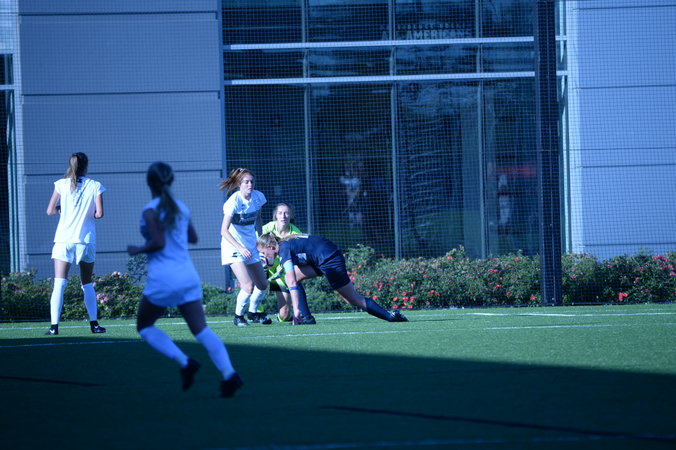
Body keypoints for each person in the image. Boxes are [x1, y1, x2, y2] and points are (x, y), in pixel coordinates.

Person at [128, 162, 242, 398]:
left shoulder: (150, 210)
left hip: (163, 278)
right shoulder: (180, 207)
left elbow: (158, 242)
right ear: (171, 181)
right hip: (187, 275)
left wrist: (137, 249)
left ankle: (185, 362)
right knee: (201, 330)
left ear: (149, 183)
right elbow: (193, 237)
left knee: (145, 326)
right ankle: (229, 374)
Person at [257, 233, 408, 323]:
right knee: (295, 277)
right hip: (324, 258)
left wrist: (295, 310)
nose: (263, 257)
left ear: (271, 247)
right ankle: (307, 318)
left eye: (263, 253)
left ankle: (391, 316)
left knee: (353, 299)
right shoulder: (284, 244)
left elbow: (290, 281)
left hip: (329, 259)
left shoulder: (283, 248)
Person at [45, 152, 107, 335]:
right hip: (85, 241)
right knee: (87, 283)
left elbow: (50, 211)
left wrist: (61, 209)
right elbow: (99, 214)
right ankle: (94, 325)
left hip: (63, 240)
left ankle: (54, 327)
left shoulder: (61, 184)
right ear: (86, 166)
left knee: (59, 283)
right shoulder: (95, 185)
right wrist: (87, 212)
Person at [220, 168, 270, 326]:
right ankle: (238, 317)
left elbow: (258, 218)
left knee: (262, 284)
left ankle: (253, 313)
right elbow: (223, 231)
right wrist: (240, 248)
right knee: (248, 286)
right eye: (246, 182)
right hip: (233, 247)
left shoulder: (258, 197)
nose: (250, 185)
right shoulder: (233, 202)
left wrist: (261, 242)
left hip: (251, 246)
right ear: (239, 184)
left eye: (252, 181)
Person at [254, 203, 314, 324]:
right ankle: (256, 313)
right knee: (256, 279)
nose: (283, 216)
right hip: (266, 268)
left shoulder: (296, 233)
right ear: (275, 215)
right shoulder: (266, 228)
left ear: (291, 215)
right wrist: (262, 261)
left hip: (282, 272)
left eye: (286, 213)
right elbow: (255, 245)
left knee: (284, 315)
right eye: (280, 213)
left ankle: (288, 316)